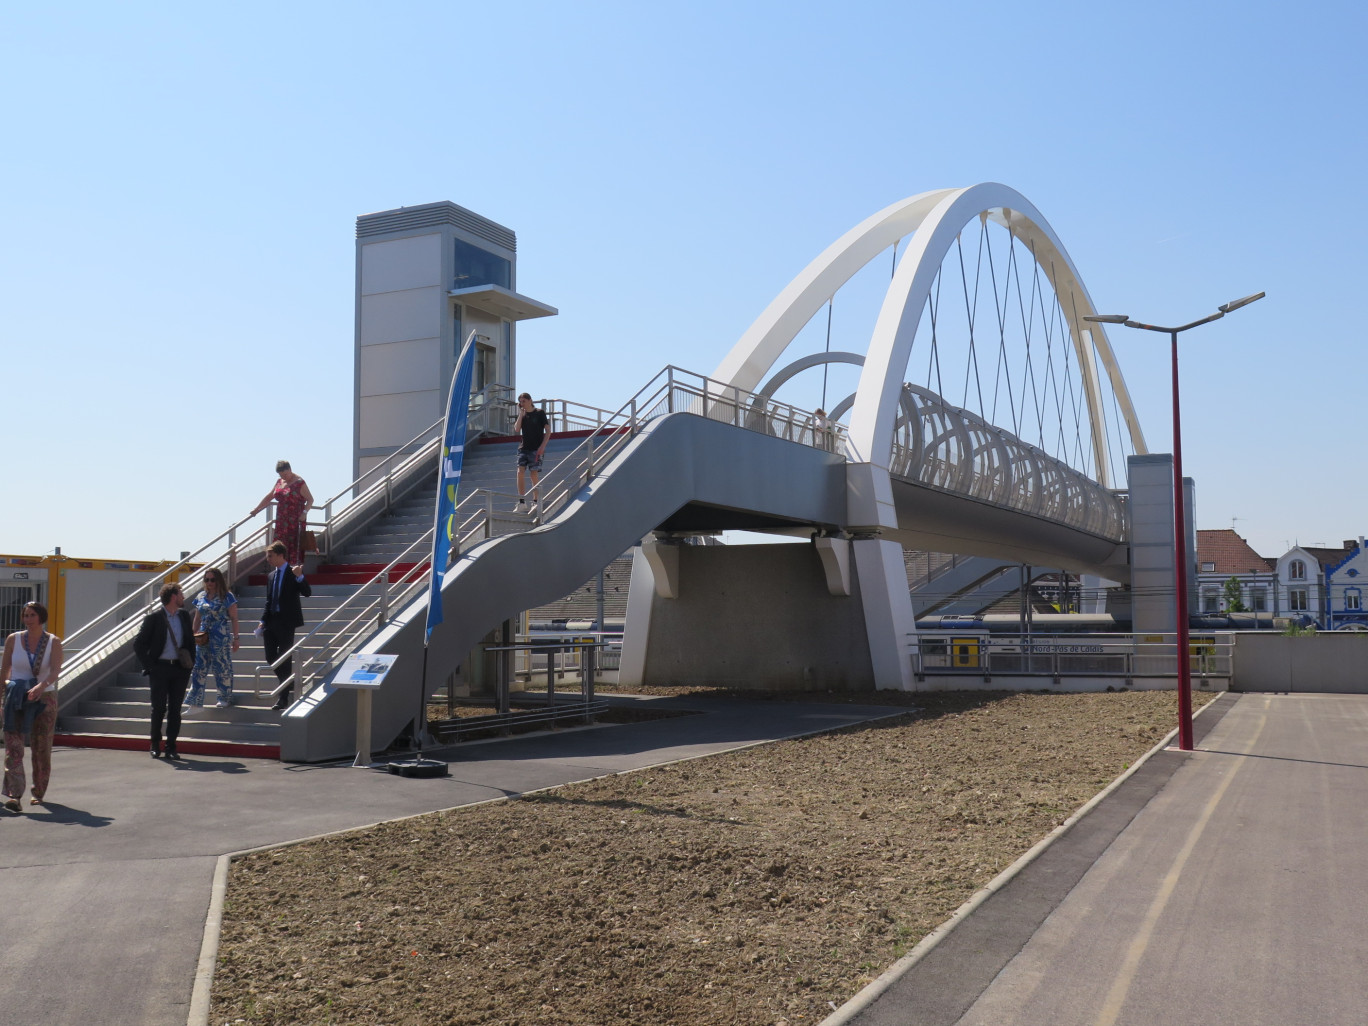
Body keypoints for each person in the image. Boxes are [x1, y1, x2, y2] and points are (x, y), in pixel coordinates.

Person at [2, 602, 62, 810]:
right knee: (14, 747)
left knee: (41, 747)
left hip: (44, 698)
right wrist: (2, 698)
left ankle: (38, 791)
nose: (28, 619)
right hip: (16, 698)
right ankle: (14, 795)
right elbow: (5, 670)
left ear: (41, 617)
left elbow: (55, 670)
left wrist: (41, 686)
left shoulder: (53, 642)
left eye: (32, 615)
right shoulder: (14, 639)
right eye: (25, 615)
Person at [133, 583, 195, 761]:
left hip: (179, 669)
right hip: (159, 668)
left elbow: (190, 642)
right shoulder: (154, 618)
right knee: (159, 708)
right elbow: (138, 644)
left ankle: (171, 747)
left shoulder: (184, 616)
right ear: (173, 597)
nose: (183, 597)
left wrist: (191, 663)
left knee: (175, 710)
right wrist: (150, 666)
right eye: (181, 594)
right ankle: (154, 744)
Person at [259, 540, 311, 711]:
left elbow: (307, 592)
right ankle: (287, 683)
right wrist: (263, 620)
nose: (268, 559)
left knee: (284, 658)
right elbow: (269, 600)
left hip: (287, 622)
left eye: (271, 556)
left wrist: (300, 576)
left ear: (281, 556)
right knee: (270, 656)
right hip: (272, 621)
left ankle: (283, 697)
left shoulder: (292, 572)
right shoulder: (271, 576)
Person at [184, 567, 240, 713]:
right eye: (207, 580)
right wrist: (192, 635)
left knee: (222, 667)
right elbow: (197, 618)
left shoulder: (227, 596)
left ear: (218, 580)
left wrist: (236, 638)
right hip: (203, 636)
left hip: (220, 636)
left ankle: (224, 697)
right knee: (198, 668)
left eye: (212, 580)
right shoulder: (201, 596)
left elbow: (234, 618)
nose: (209, 583)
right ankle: (195, 703)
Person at [250, 460, 314, 566]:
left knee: (293, 546)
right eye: (281, 475)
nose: (284, 477)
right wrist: (257, 509)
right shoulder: (279, 482)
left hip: (295, 521)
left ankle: (294, 571)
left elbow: (310, 499)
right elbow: (270, 497)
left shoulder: (299, 482)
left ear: (290, 469)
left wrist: (304, 513)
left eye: (285, 474)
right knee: (279, 546)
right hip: (281, 520)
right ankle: (280, 569)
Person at [512, 392, 551, 513]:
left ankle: (535, 500)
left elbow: (548, 431)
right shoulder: (522, 414)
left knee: (533, 474)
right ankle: (522, 501)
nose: (522, 404)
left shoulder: (539, 413)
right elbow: (517, 429)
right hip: (523, 448)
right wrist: (520, 414)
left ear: (530, 400)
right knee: (520, 472)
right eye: (520, 402)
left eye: (524, 401)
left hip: (536, 448)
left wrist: (542, 446)